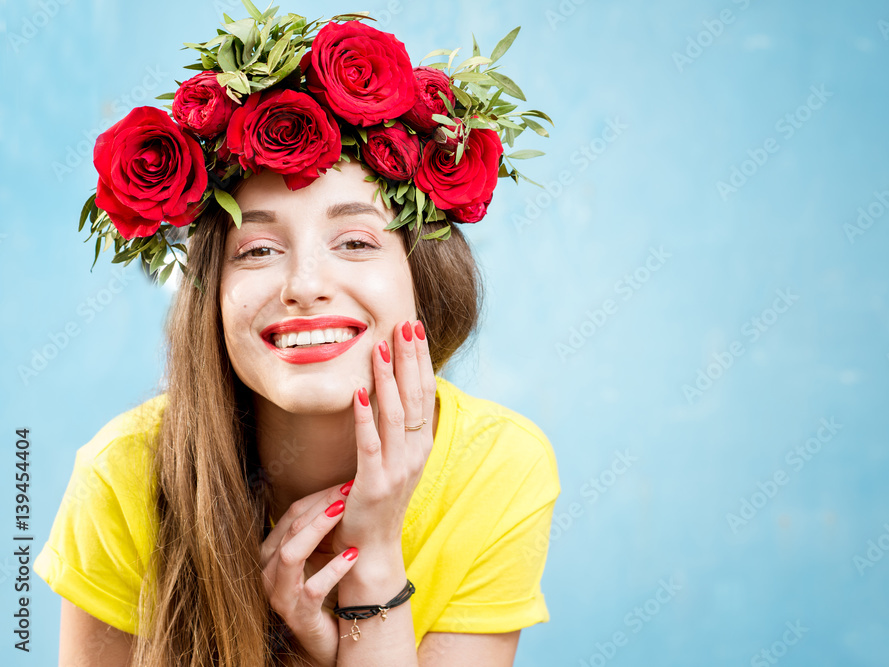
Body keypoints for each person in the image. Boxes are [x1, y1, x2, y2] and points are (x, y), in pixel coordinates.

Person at [35, 7, 558, 666]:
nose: (304, 283)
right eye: (257, 250)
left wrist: (369, 571)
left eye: (356, 240)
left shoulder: (499, 468)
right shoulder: (120, 477)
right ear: (209, 295)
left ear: (422, 279)